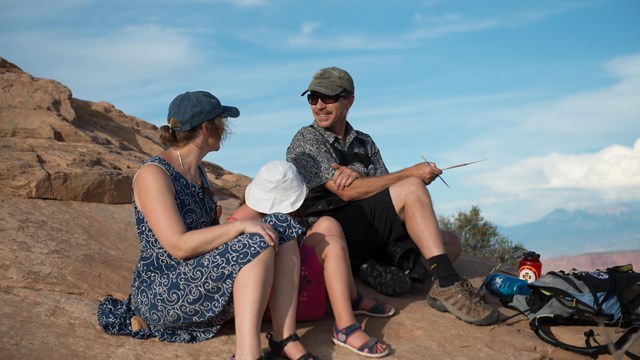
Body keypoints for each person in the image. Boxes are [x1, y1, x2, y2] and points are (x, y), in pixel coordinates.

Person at [97, 91, 316, 360]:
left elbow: (210, 239)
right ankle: (247, 356)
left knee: (280, 224)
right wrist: (239, 227)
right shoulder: (154, 174)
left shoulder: (197, 172)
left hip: (198, 280)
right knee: (257, 239)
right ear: (205, 128)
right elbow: (178, 245)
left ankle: (285, 339)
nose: (225, 128)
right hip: (163, 293)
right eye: (221, 121)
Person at [286, 67, 499, 326]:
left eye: (327, 97)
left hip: (368, 229)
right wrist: (411, 175)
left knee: (451, 243)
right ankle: (447, 284)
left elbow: (385, 191)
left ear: (349, 100)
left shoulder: (365, 142)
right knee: (411, 187)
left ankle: (374, 268)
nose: (319, 105)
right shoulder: (306, 139)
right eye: (313, 98)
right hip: (331, 235)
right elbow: (349, 192)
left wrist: (361, 177)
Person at [229, 160, 394, 357]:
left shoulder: (247, 216)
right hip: (278, 303)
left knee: (328, 224)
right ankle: (346, 327)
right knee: (332, 246)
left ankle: (350, 299)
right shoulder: (245, 227)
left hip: (288, 282)